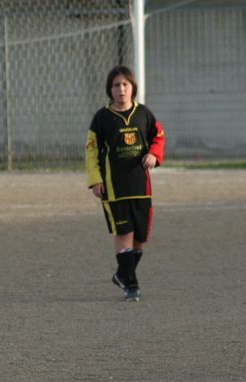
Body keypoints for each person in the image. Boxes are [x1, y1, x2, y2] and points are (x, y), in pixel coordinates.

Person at [85, 66, 165, 302]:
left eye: (125, 84)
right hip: (114, 187)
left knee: (140, 236)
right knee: (124, 232)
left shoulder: (144, 114)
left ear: (132, 88)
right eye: (116, 85)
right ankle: (131, 284)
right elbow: (91, 151)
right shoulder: (102, 118)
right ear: (109, 89)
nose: (121, 89)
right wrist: (95, 180)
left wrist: (154, 154)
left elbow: (158, 136)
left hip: (141, 187)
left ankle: (122, 273)